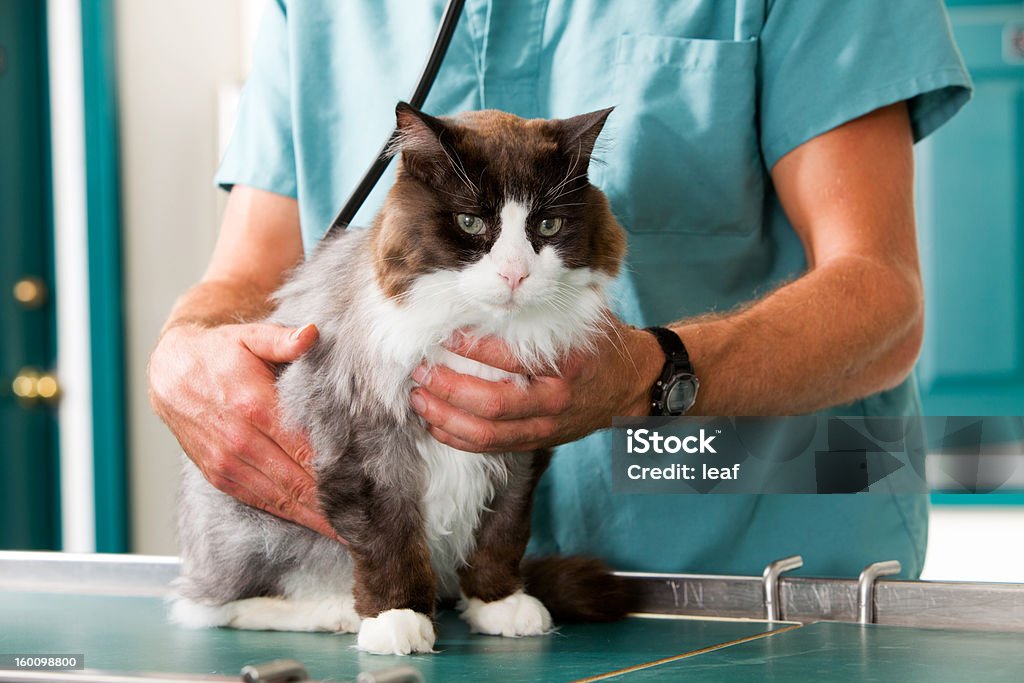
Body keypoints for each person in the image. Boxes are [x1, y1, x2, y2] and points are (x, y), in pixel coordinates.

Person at [149, 0, 971, 577]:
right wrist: (183, 351)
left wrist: (650, 374)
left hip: (764, 555)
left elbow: (884, 297)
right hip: (450, 589)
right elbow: (247, 280)